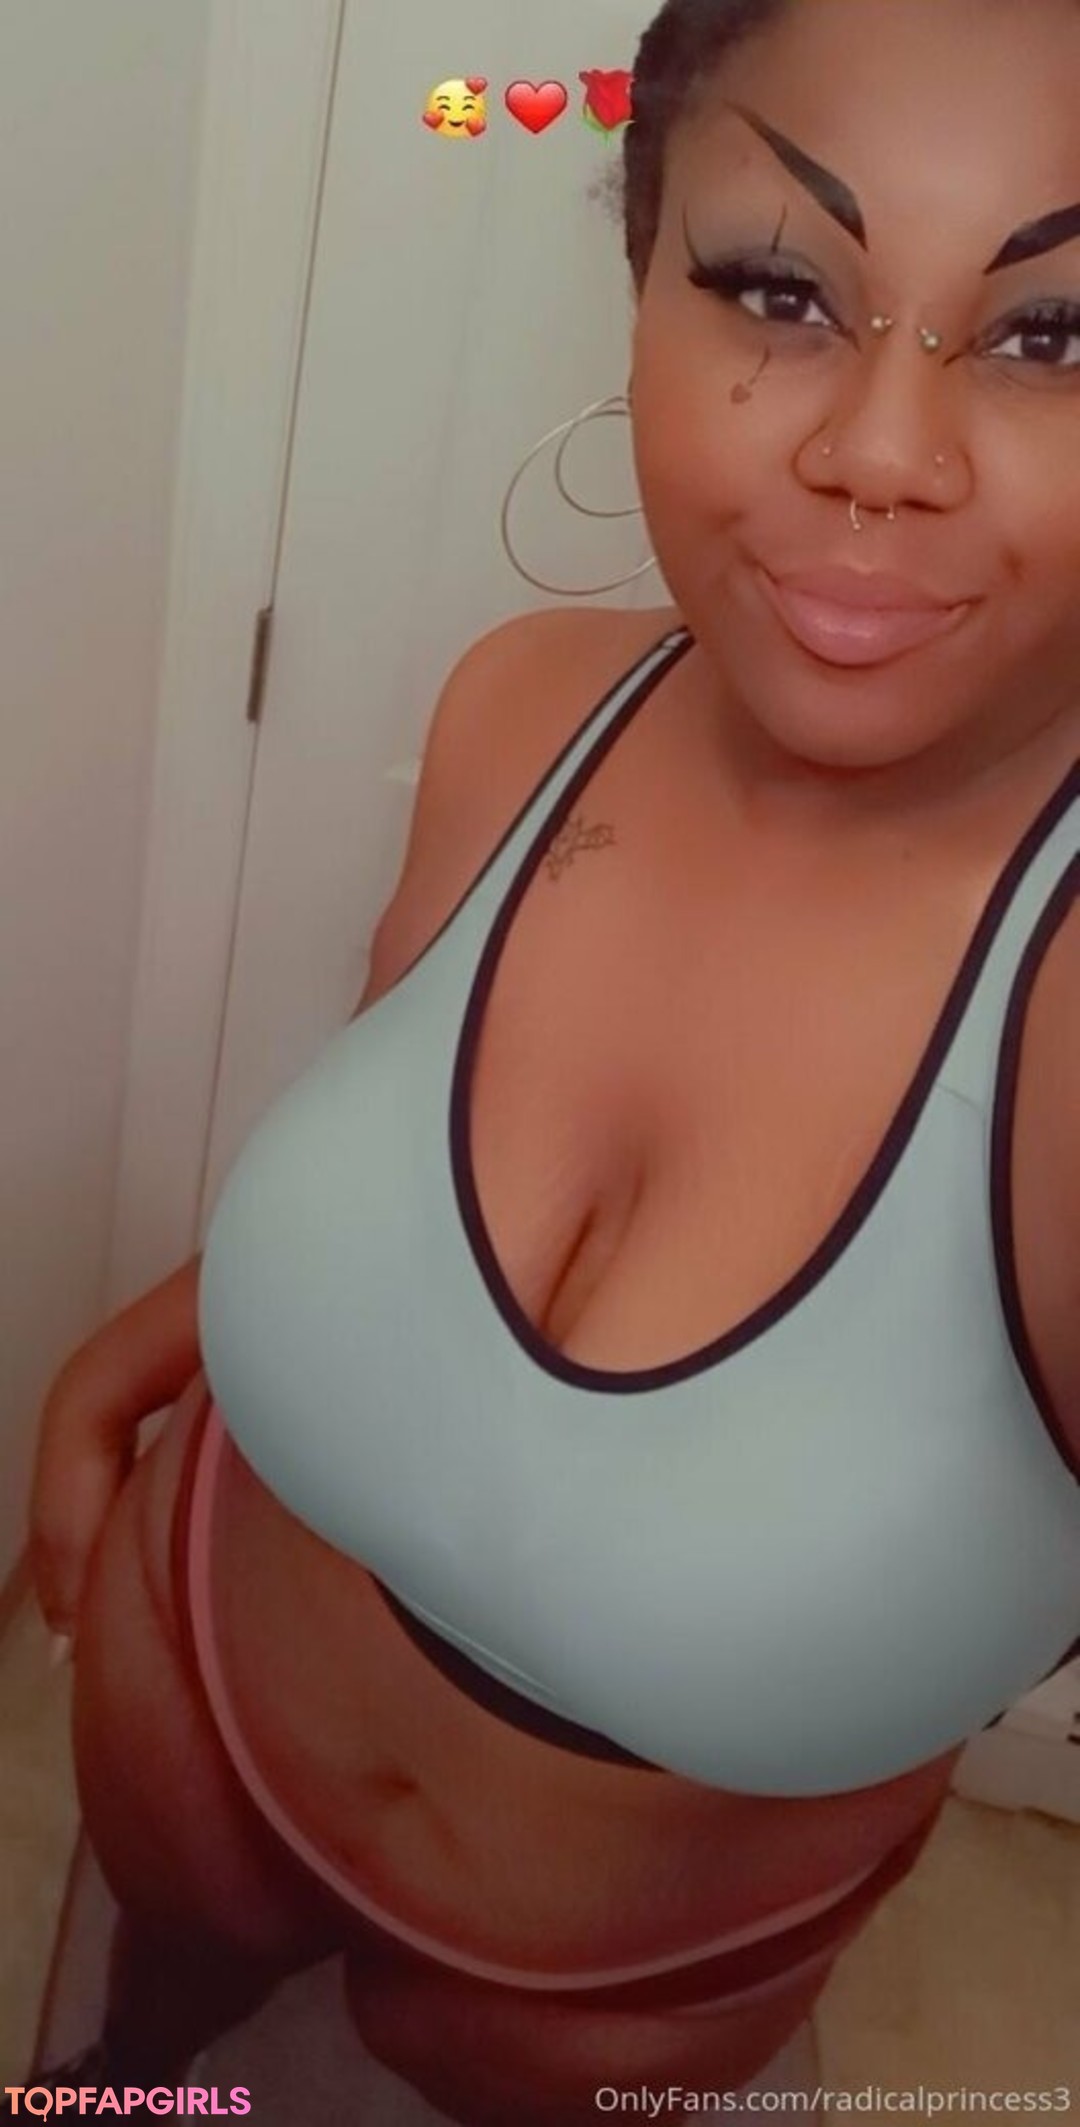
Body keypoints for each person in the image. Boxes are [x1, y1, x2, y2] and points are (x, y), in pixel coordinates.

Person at [21, 0, 1080, 2120]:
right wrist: (122, 1367)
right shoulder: (522, 704)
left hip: (608, 1982)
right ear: (640, 277)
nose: (882, 451)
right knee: (135, 2062)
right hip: (190, 1678)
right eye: (781, 288)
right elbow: (386, 1184)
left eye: (1057, 337)